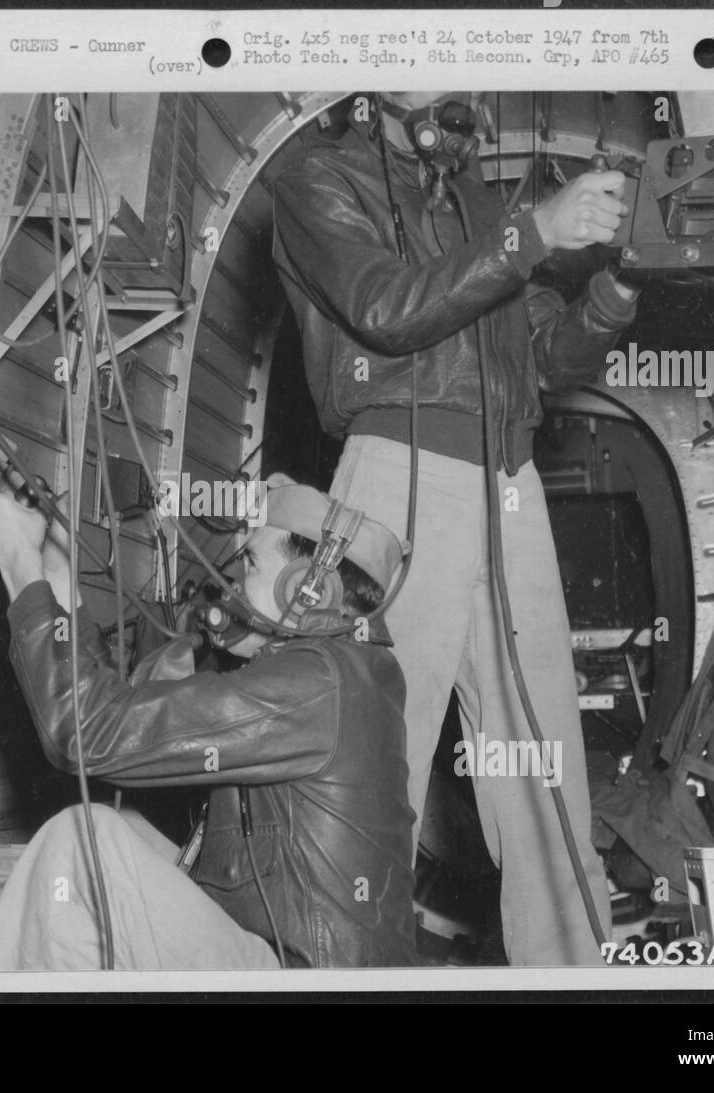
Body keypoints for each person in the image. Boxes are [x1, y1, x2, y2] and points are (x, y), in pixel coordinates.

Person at [272, 91, 641, 965]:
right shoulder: (320, 175)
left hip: (510, 482)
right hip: (401, 467)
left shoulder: (482, 205)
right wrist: (534, 233)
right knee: (376, 766)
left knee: (544, 775)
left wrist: (617, 292)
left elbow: (543, 358)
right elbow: (387, 306)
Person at [0, 476, 417, 970]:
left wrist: (18, 565)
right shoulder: (344, 672)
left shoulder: (316, 683)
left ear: (308, 589)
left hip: (307, 982)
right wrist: (56, 576)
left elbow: (83, 734)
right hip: (293, 963)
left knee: (83, 842)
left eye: (251, 563)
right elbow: (127, 713)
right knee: (123, 830)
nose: (234, 584)